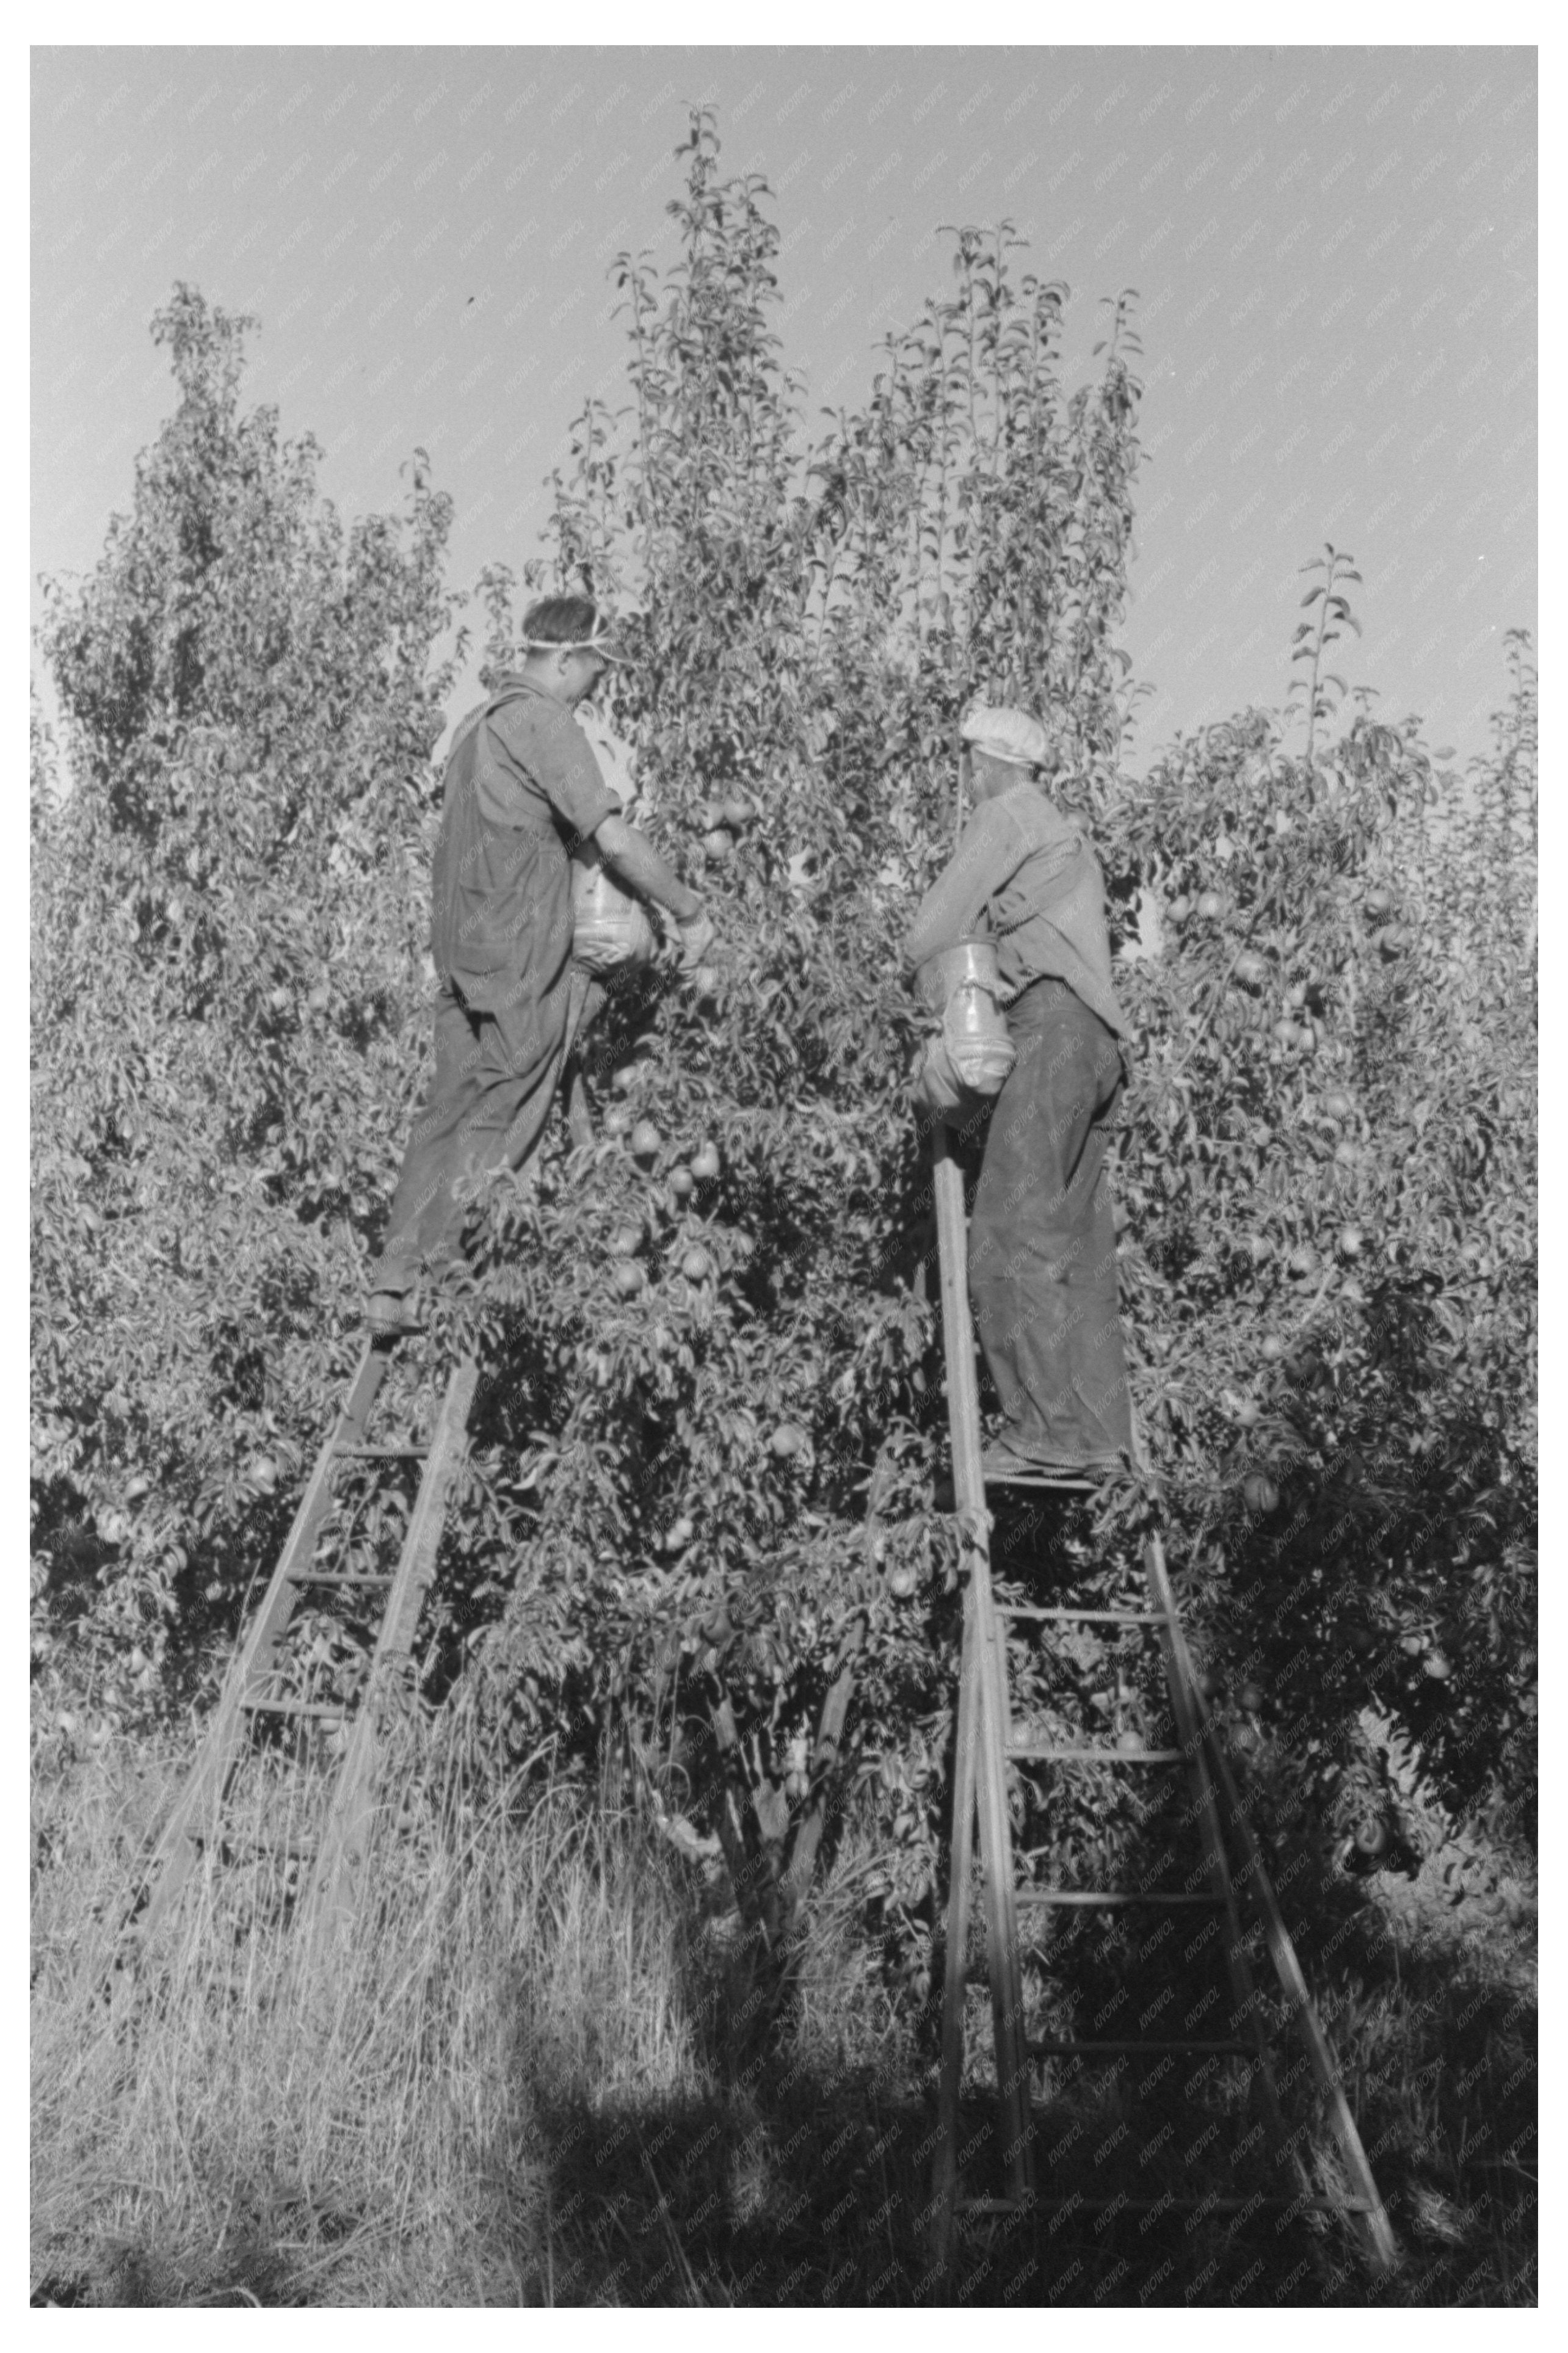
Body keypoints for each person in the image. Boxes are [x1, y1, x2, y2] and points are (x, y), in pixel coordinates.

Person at [365, 595, 714, 1335]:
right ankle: (444, 1268)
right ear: (562, 658)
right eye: (594, 669)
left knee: (448, 1104)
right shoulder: (546, 723)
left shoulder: (475, 728)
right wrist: (686, 910)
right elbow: (612, 841)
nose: (597, 686)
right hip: (518, 944)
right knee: (509, 1102)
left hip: (460, 949)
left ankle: (394, 1275)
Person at [901, 705, 1135, 1477]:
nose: (966, 779)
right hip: (1097, 1046)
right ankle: (1098, 1434)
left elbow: (929, 931)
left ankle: (1043, 1431)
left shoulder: (1006, 814)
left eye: (967, 764)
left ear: (986, 762)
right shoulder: (1063, 832)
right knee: (1077, 1246)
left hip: (1053, 1031)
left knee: (1007, 1229)